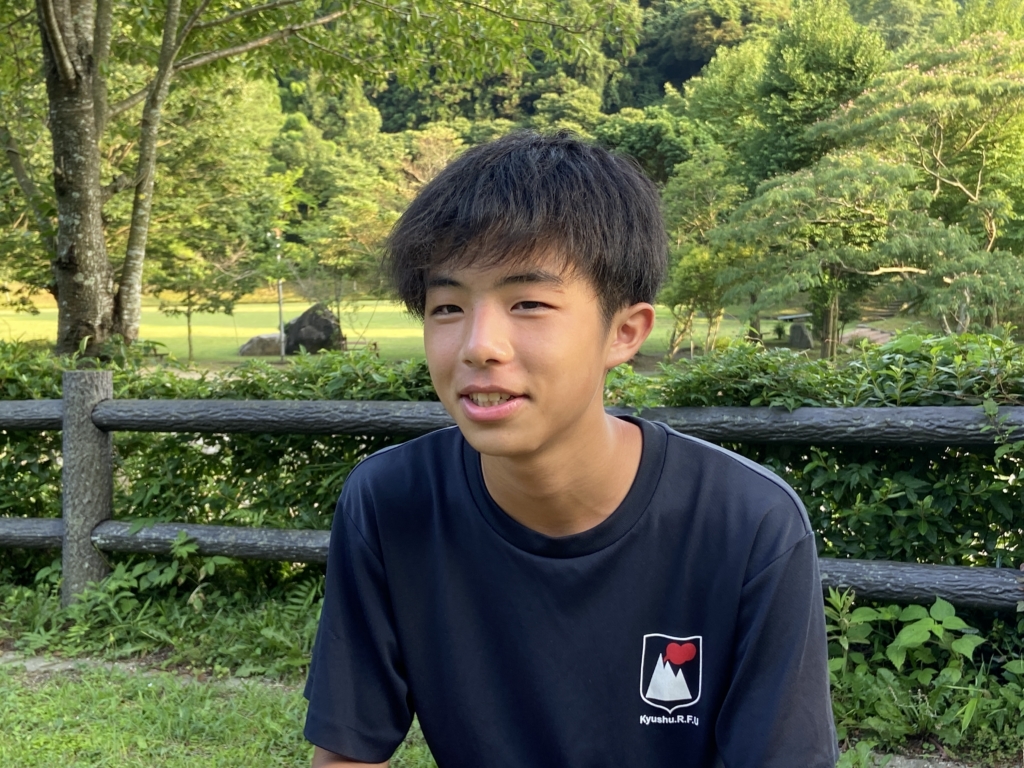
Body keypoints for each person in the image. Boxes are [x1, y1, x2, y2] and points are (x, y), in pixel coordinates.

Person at [303, 132, 838, 768]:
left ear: (624, 332)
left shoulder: (747, 524)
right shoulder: (392, 502)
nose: (479, 345)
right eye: (447, 306)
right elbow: (347, 754)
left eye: (528, 303)